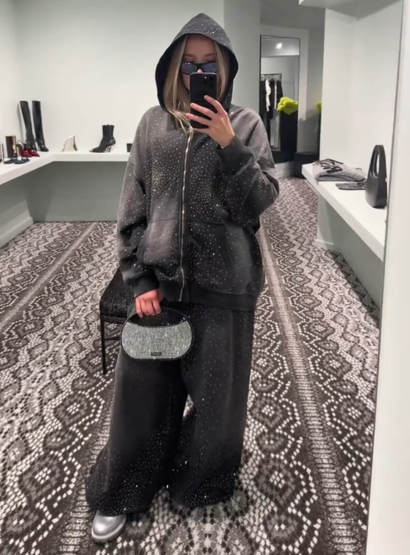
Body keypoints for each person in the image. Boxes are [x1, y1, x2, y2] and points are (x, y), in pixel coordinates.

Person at [84, 12, 280, 544]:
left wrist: (229, 146)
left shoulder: (246, 124)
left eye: (208, 63)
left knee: (219, 408)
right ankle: (122, 489)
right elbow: (133, 208)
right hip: (161, 292)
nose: (198, 72)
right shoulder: (152, 125)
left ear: (224, 69)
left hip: (227, 291)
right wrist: (138, 280)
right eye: (189, 63)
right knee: (140, 397)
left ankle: (198, 482)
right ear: (174, 68)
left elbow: (259, 203)